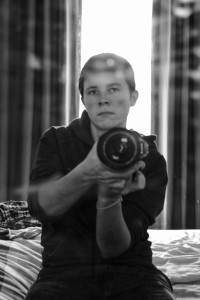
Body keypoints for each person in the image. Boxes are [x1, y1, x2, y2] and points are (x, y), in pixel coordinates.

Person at [26, 53, 176, 299]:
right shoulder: (57, 140)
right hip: (63, 273)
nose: (103, 100)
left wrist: (109, 197)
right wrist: (88, 170)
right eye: (93, 91)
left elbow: (113, 249)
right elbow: (40, 209)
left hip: (135, 273)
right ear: (83, 99)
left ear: (133, 97)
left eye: (114, 89)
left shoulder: (149, 158)